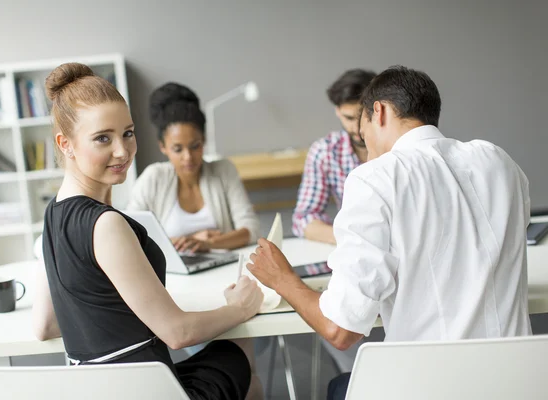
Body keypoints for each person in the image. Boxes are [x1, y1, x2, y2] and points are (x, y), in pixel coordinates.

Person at [247, 65, 532, 400]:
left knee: (338, 388)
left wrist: (281, 278)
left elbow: (340, 330)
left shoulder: (375, 178)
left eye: (361, 128)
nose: (362, 140)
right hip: (520, 380)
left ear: (378, 111)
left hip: (435, 387)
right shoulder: (499, 161)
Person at [31, 63, 264, 400]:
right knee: (240, 347)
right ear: (65, 144)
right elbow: (177, 333)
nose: (122, 151)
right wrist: (239, 307)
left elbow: (44, 328)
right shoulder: (106, 224)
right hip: (153, 390)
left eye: (127, 132)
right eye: (102, 139)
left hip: (100, 392)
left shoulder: (52, 216)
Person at [127, 82, 259, 253]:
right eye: (178, 149)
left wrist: (208, 244)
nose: (188, 157)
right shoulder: (154, 178)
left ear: (204, 140)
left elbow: (251, 229)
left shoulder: (223, 171)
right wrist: (191, 241)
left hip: (223, 268)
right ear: (163, 147)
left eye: (195, 146)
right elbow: (129, 234)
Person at [292, 69, 376, 244]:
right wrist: (353, 240)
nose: (356, 128)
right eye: (349, 118)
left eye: (363, 117)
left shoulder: (400, 148)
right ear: (337, 111)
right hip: (352, 248)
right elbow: (305, 218)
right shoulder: (325, 152)